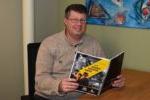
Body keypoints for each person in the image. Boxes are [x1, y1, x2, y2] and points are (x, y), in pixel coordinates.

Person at [34, 4, 125, 100]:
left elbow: (104, 73)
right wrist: (59, 85)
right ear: (65, 21)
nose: (79, 24)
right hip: (51, 97)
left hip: (84, 97)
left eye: (82, 20)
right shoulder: (49, 44)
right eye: (74, 20)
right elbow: (40, 80)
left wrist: (114, 81)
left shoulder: (93, 43)